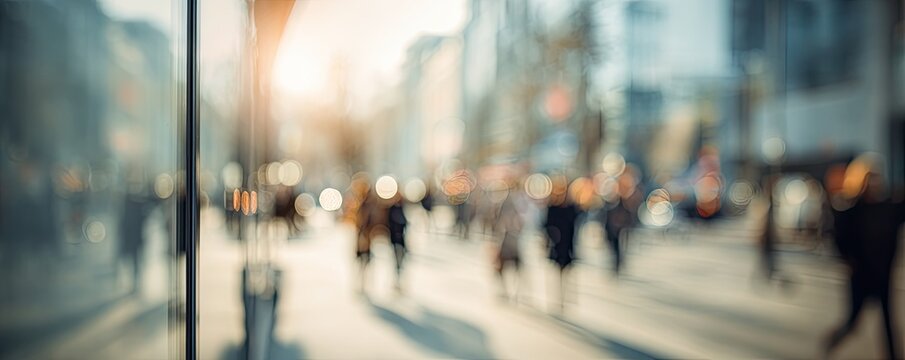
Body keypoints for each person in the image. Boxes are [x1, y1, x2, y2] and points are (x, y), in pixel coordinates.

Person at [824, 155, 902, 359]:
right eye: (870, 177)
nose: (874, 182)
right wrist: (848, 261)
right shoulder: (852, 210)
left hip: (883, 274)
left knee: (887, 323)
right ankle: (831, 342)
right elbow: (838, 237)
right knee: (853, 321)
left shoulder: (888, 207)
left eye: (876, 177)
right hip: (861, 276)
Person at [543, 175, 581, 311]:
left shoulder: (571, 207)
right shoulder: (552, 207)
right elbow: (546, 226)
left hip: (568, 244)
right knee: (558, 272)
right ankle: (559, 297)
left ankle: (564, 296)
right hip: (556, 245)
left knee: (567, 272)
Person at [494, 184, 524, 301]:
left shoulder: (519, 203)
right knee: (503, 267)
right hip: (508, 241)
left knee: (514, 268)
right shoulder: (509, 203)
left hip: (512, 241)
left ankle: (513, 291)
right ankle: (509, 290)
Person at [387, 193, 408, 292]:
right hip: (395, 240)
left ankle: (399, 281)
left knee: (400, 261)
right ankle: (396, 281)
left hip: (400, 240)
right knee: (396, 261)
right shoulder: (392, 209)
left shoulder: (402, 208)